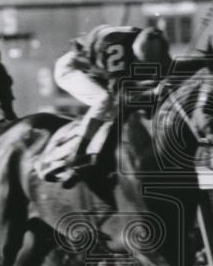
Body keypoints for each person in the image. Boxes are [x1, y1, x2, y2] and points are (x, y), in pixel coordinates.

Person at [52, 25, 171, 187]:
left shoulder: (153, 42)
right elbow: (119, 96)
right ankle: (77, 155)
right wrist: (152, 90)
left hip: (100, 72)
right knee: (105, 100)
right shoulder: (116, 45)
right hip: (73, 69)